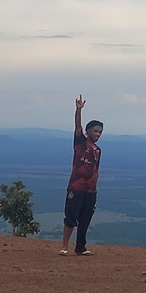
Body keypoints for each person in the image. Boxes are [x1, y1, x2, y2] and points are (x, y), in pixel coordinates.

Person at [59, 95, 103, 256]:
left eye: (100, 132)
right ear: (88, 131)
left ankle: (80, 247)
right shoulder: (80, 142)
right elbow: (77, 125)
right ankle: (64, 246)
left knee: (85, 219)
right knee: (71, 217)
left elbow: (95, 170)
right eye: (95, 131)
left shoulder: (97, 150)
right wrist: (78, 110)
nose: (98, 134)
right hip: (76, 187)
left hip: (91, 190)